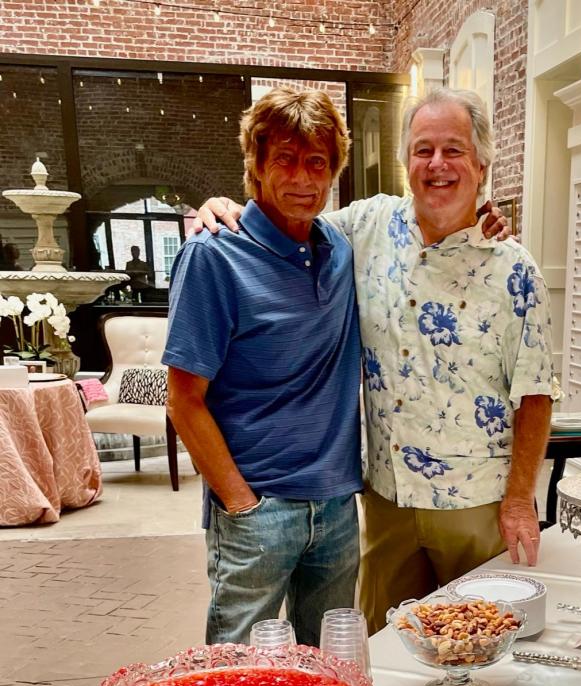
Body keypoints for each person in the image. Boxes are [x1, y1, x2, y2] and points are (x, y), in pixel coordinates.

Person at [195, 88, 554, 632]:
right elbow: (288, 213)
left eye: (454, 151)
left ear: (482, 166)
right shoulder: (363, 228)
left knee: (481, 641)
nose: (437, 165)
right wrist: (221, 207)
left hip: (476, 503)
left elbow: (535, 392)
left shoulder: (515, 270)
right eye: (423, 149)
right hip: (384, 500)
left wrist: (520, 501)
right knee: (385, 647)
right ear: (405, 162)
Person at [163, 88, 363, 647]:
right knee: (235, 679)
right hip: (258, 510)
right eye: (285, 159)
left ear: (334, 171)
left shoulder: (339, 249)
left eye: (317, 162)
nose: (303, 177)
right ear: (255, 165)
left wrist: (485, 221)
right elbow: (183, 399)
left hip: (337, 506)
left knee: (325, 672)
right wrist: (240, 503)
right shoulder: (213, 255)